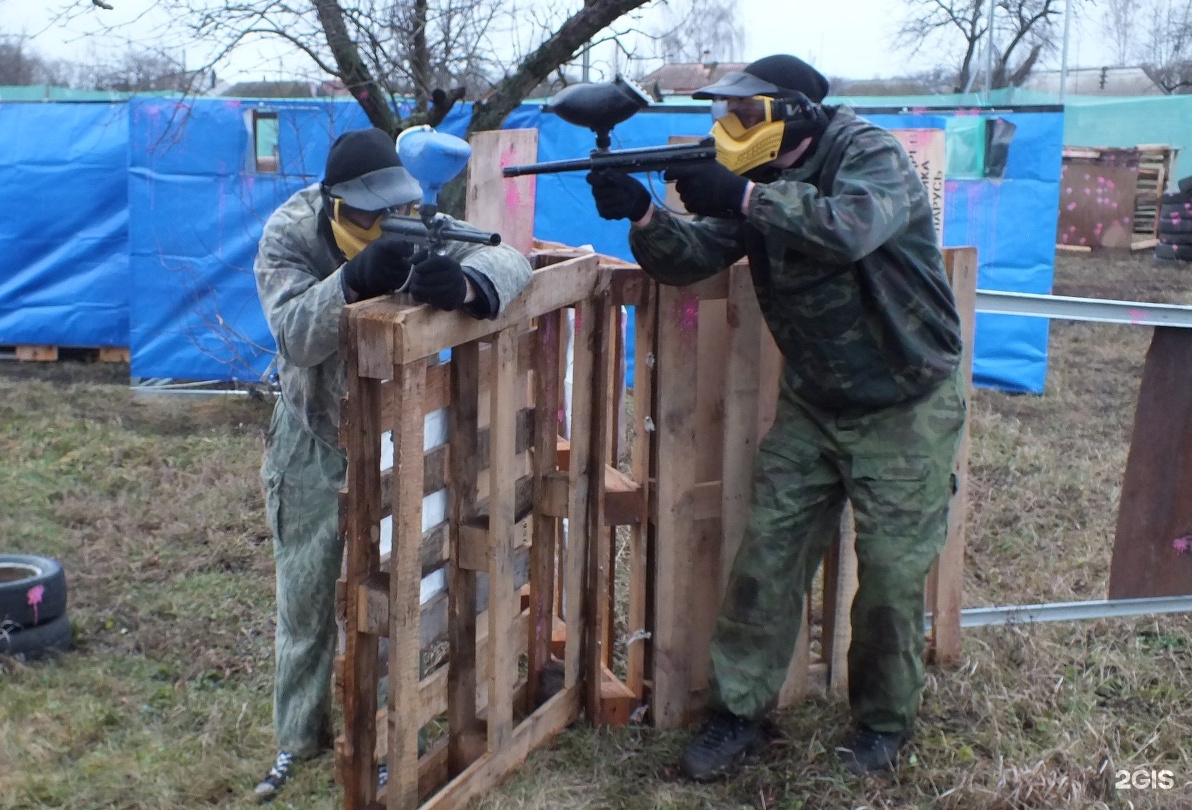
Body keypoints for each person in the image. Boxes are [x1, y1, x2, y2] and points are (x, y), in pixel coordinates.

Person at [584, 54, 965, 777]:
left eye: (744, 113)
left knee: (888, 577)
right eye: (723, 114)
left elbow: (850, 228)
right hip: (815, 403)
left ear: (793, 113)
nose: (729, 127)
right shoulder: (759, 182)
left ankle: (883, 723)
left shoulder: (867, 154)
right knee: (766, 559)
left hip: (906, 403)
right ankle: (739, 714)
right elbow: (696, 255)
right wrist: (643, 213)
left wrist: (744, 198)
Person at [250, 127, 532, 800]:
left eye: (391, 214)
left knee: (385, 593)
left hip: (392, 441)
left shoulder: (417, 220)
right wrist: (349, 281)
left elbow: (510, 260)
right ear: (334, 203)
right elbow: (293, 332)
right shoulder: (290, 233)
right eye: (368, 218)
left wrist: (464, 285)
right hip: (313, 433)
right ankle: (297, 737)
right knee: (307, 593)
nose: (385, 228)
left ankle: (376, 734)